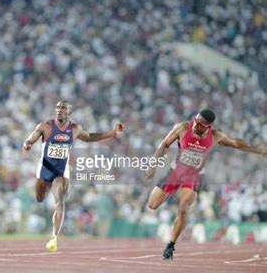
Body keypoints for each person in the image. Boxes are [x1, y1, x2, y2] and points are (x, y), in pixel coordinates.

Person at [144, 109, 267, 260]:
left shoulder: (215, 135)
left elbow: (236, 143)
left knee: (183, 209)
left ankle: (170, 245)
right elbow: (164, 144)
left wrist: (258, 149)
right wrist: (152, 165)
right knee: (152, 205)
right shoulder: (183, 128)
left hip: (194, 177)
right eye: (196, 121)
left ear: (208, 126)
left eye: (201, 124)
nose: (196, 125)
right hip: (175, 173)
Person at [22, 100, 124, 252]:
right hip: (44, 169)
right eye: (57, 107)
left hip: (61, 171)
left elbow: (90, 137)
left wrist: (112, 133)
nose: (59, 110)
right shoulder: (46, 126)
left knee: (60, 200)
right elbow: (33, 136)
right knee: (40, 198)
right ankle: (47, 190)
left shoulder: (75, 129)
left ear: (69, 112)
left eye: (63, 108)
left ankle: (54, 238)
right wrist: (28, 143)